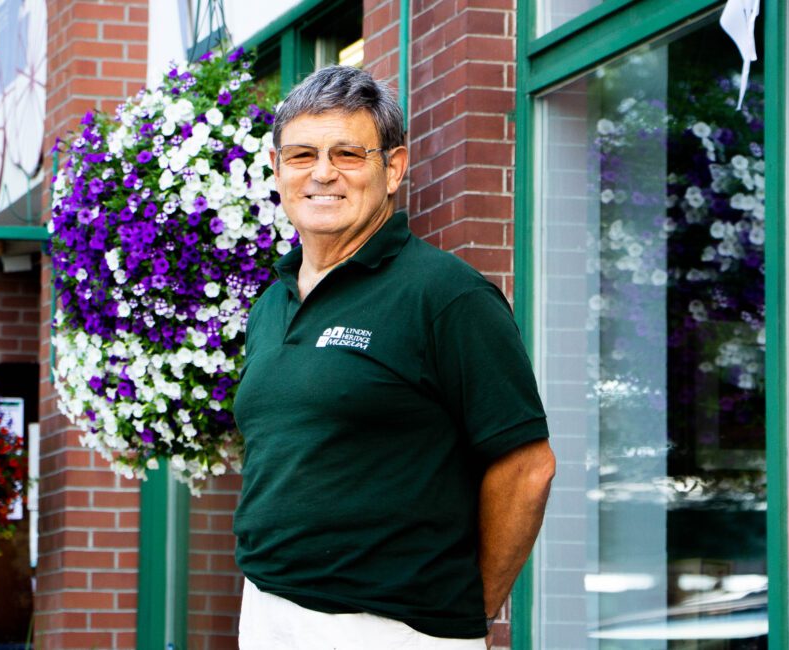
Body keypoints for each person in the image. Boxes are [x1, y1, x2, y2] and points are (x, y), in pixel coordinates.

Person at [232, 65, 556, 650]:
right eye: (302, 155)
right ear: (277, 170)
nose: (323, 173)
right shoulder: (270, 303)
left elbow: (528, 468)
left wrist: (464, 614)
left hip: (390, 629)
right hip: (266, 611)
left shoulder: (446, 295)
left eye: (348, 154)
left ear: (393, 169)